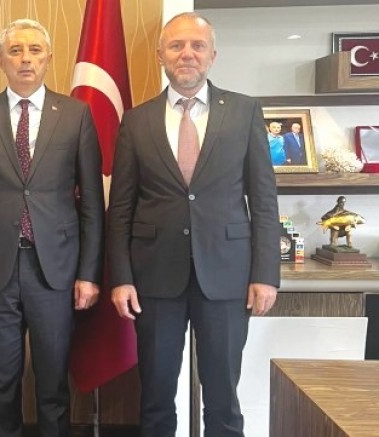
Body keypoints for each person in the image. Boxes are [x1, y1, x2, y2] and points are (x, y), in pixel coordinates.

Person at [108, 12, 280, 437]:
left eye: (197, 45)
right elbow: (122, 207)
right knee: (156, 398)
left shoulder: (244, 111)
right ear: (161, 55)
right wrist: (121, 278)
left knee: (222, 399)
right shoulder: (137, 120)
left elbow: (263, 199)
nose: (187, 54)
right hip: (154, 279)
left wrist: (265, 274)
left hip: (226, 276)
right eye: (176, 45)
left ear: (213, 55)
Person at [0, 18, 104, 437]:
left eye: (35, 50)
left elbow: (92, 203)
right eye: (15, 50)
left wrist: (89, 274)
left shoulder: (75, 115)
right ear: (0, 60)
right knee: (0, 380)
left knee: (53, 382)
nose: (25, 59)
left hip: (55, 269)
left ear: (48, 58)